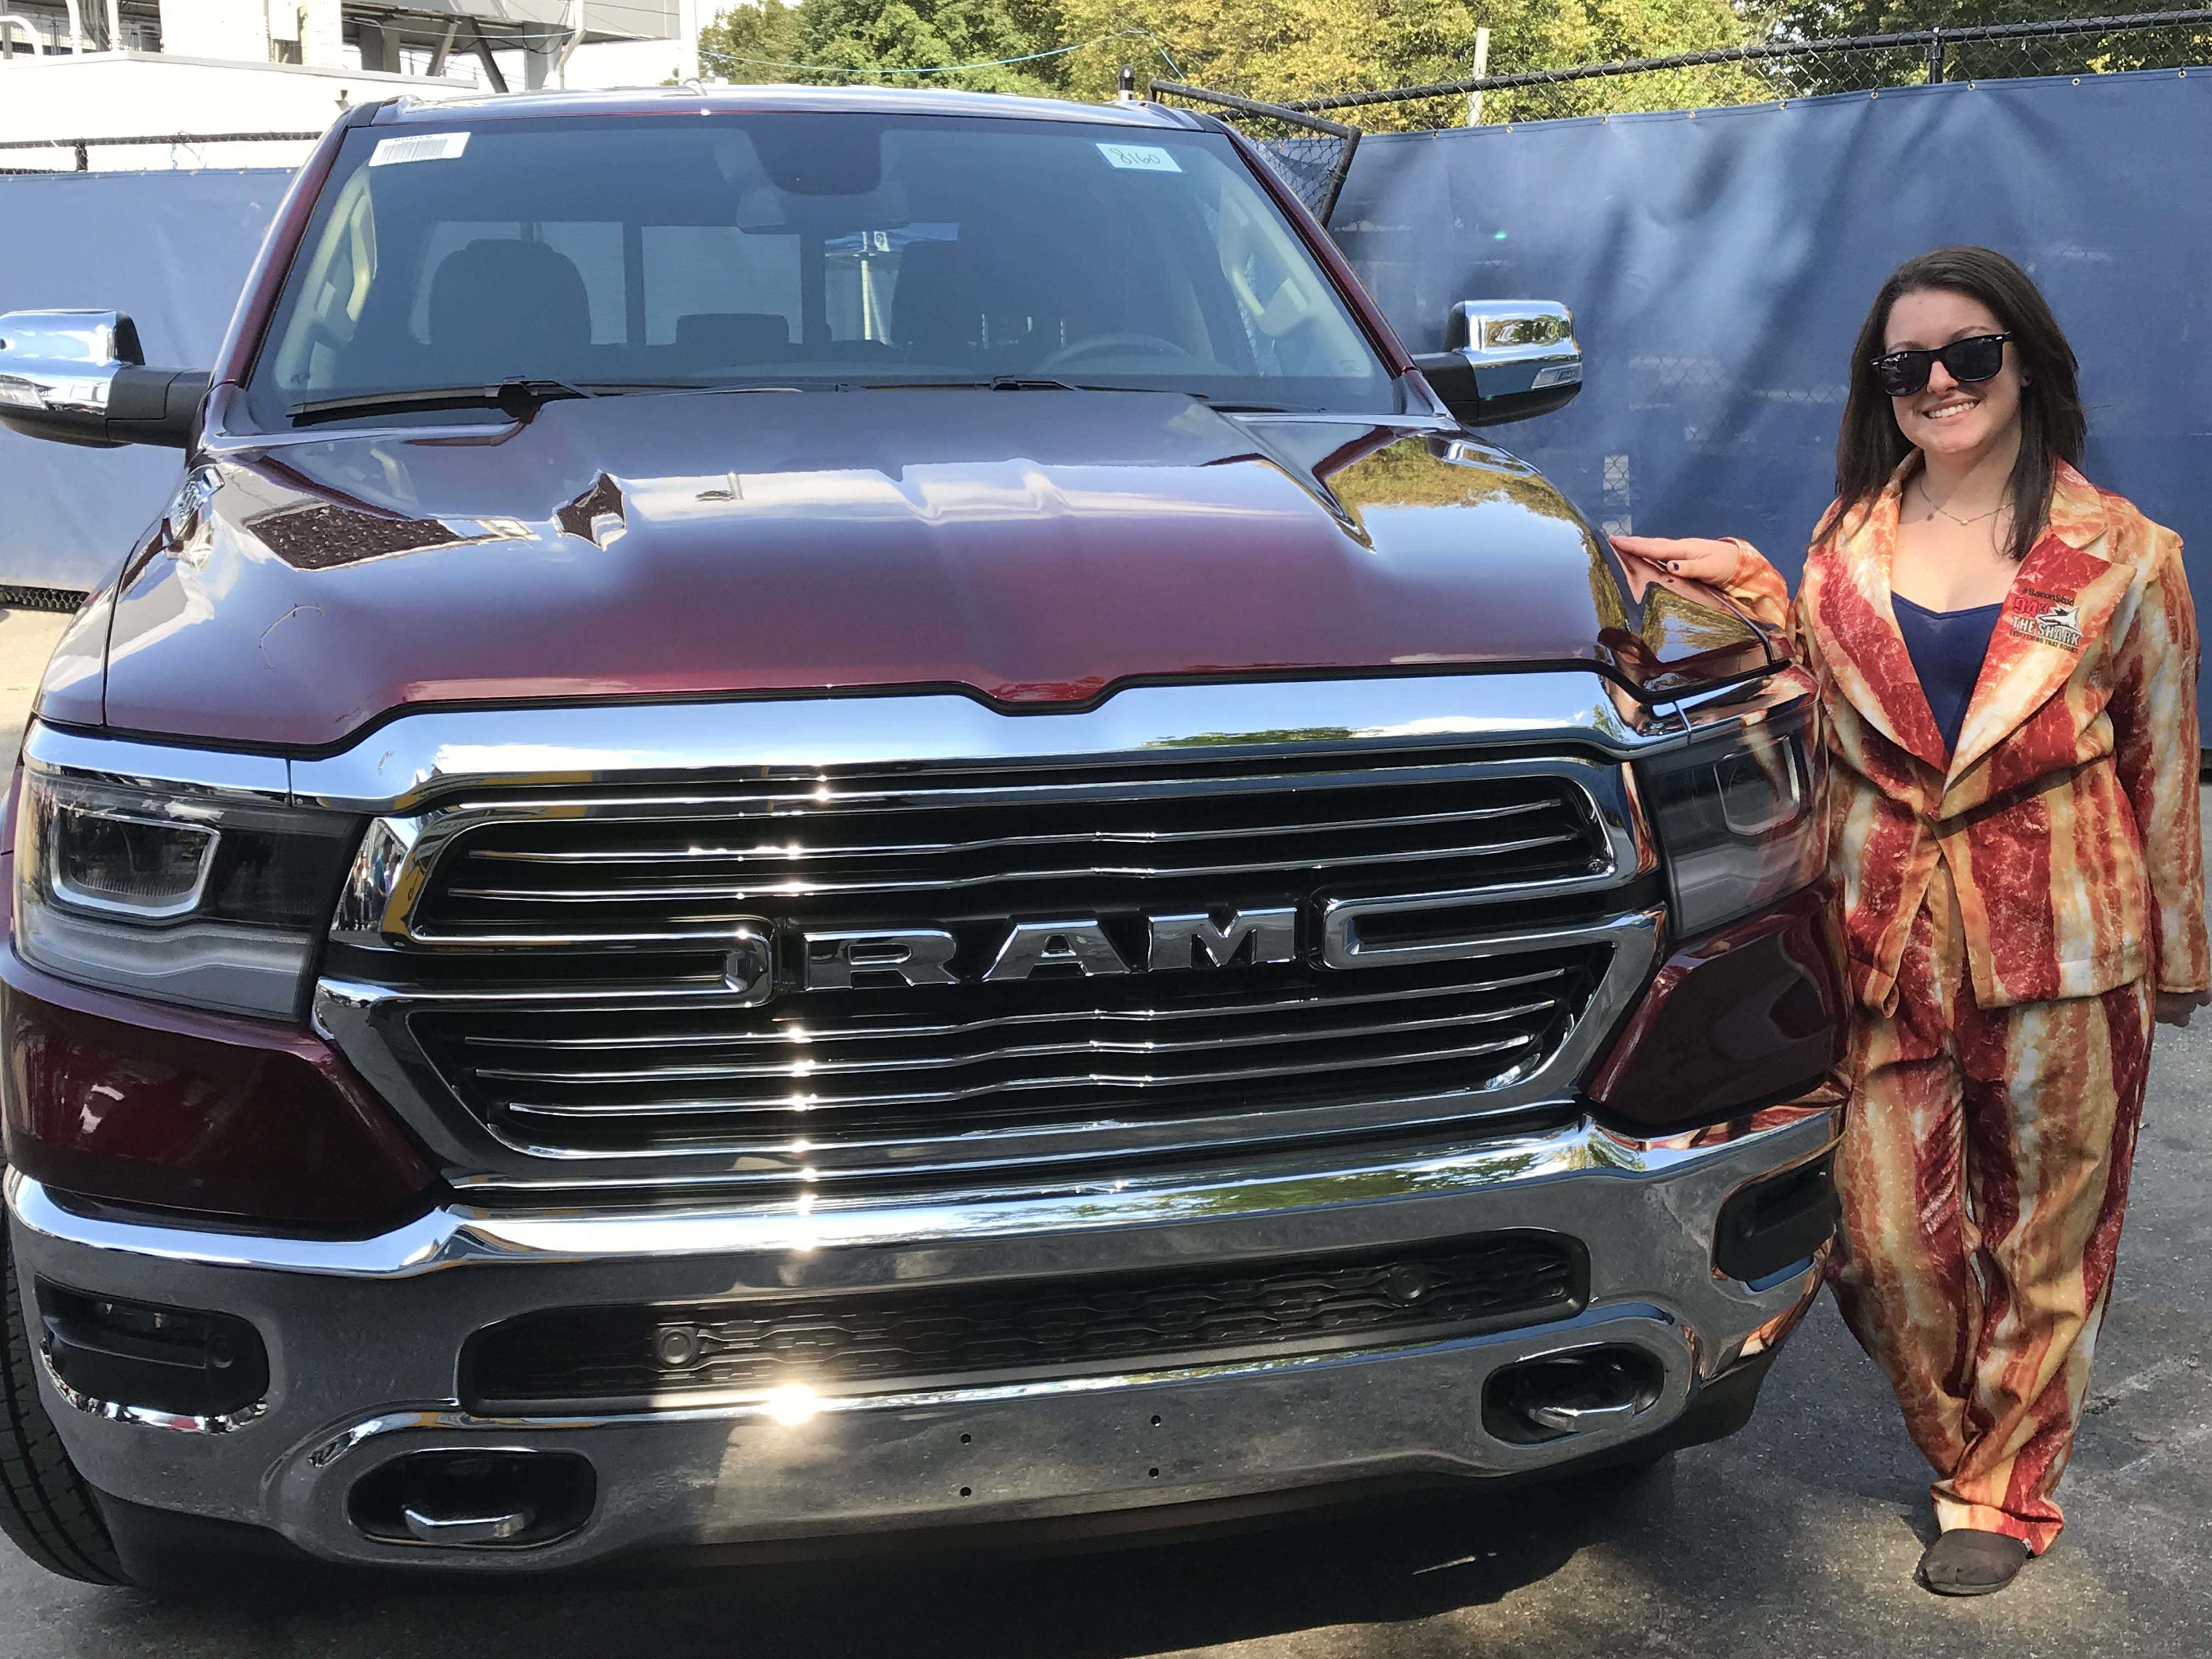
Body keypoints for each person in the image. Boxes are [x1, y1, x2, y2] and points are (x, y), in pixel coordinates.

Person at [1613, 245, 2208, 1597]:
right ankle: (1957, 1434)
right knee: (1882, 1242)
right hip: (1882, 941)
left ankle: (2001, 1487)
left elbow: (2164, 765)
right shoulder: (1845, 542)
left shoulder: (2126, 557)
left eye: (1968, 352)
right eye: (1906, 363)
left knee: (2047, 1238)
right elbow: (1831, 706)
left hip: (2067, 942)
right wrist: (1757, 592)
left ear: (2027, 363)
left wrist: (2178, 959)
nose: (1938, 381)